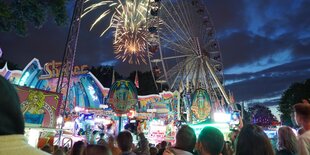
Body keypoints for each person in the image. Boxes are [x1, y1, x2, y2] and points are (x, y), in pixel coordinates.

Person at [0, 76, 49, 155]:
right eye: (33, 98)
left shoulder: (40, 110)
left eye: (36, 98)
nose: (34, 100)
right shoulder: (26, 107)